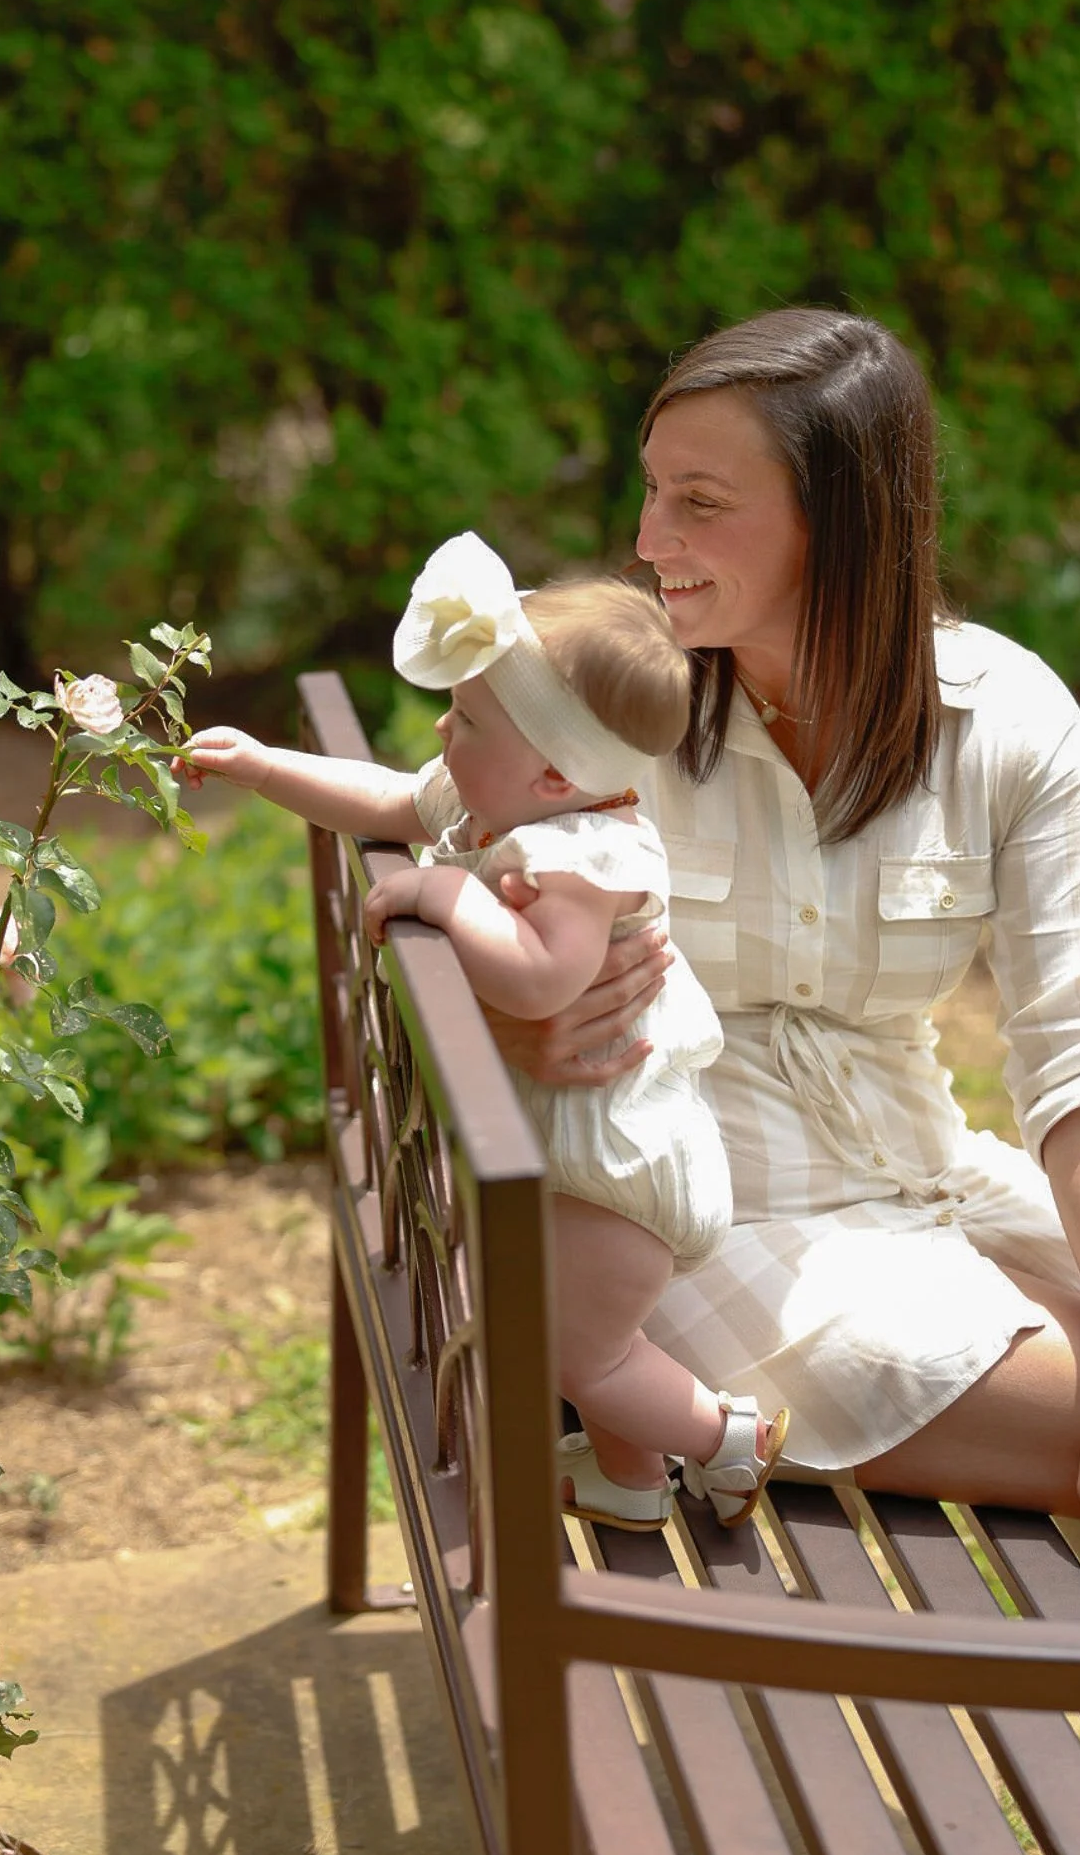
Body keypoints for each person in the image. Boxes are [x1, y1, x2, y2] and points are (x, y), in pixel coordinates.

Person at [490, 305, 1080, 1516]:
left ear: (844, 519)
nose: (651, 540)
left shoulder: (1010, 721)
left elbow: (1072, 1056)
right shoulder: (610, 699)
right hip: (694, 1220)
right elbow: (418, 865)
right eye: (652, 492)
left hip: (929, 1178)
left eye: (700, 502)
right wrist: (504, 1027)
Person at [184, 530, 790, 1529]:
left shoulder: (586, 852)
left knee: (581, 1351)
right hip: (580, 1152)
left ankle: (724, 1436)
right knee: (579, 1333)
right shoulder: (494, 799)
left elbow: (546, 979)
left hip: (619, 1167)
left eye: (465, 716)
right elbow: (382, 794)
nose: (439, 724)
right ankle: (629, 1481)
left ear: (553, 775)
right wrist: (260, 766)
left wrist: (443, 898)